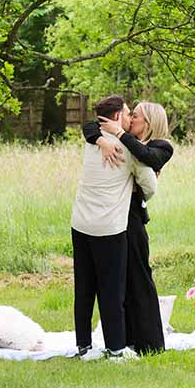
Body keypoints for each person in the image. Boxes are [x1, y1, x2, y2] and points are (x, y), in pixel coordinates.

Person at [71, 95, 158, 360]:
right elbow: (151, 187)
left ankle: (83, 346)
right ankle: (116, 348)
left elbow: (89, 127)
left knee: (84, 288)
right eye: (129, 113)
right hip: (109, 228)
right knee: (112, 290)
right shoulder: (128, 150)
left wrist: (100, 138)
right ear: (118, 116)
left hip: (80, 222)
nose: (132, 118)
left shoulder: (90, 142)